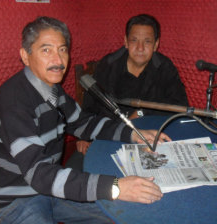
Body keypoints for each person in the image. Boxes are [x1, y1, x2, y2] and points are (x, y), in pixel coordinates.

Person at [0, 16, 171, 224]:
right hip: (13, 200)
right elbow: (39, 174)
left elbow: (84, 123)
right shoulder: (13, 101)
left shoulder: (53, 91)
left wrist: (132, 134)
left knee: (119, 216)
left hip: (48, 189)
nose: (58, 60)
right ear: (25, 55)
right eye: (46, 50)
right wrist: (115, 186)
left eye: (62, 50)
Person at [77, 13, 188, 155]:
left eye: (147, 41)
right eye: (134, 40)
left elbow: (180, 104)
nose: (140, 48)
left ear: (156, 44)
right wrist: (83, 136)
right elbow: (89, 105)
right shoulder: (107, 65)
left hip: (150, 135)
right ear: (125, 41)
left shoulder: (165, 67)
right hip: (110, 135)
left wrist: (142, 112)